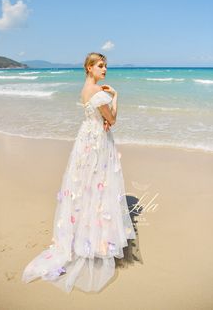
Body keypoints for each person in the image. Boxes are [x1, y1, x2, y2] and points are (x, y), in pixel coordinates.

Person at [22, 52, 138, 293]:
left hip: (85, 141)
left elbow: (97, 116)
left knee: (84, 188)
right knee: (99, 185)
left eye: (105, 66)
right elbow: (112, 119)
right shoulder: (98, 92)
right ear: (89, 68)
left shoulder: (85, 90)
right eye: (100, 66)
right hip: (98, 143)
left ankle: (83, 236)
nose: (104, 69)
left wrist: (104, 118)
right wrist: (116, 96)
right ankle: (96, 240)